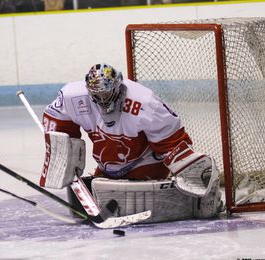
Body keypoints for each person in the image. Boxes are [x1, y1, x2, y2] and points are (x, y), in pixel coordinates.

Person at [41, 63, 223, 222]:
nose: (103, 99)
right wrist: (62, 151)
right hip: (107, 166)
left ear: (118, 86)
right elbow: (56, 119)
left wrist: (189, 169)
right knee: (97, 190)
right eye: (99, 95)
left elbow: (172, 142)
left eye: (107, 93)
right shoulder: (73, 97)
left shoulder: (144, 102)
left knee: (121, 197)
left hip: (145, 162)